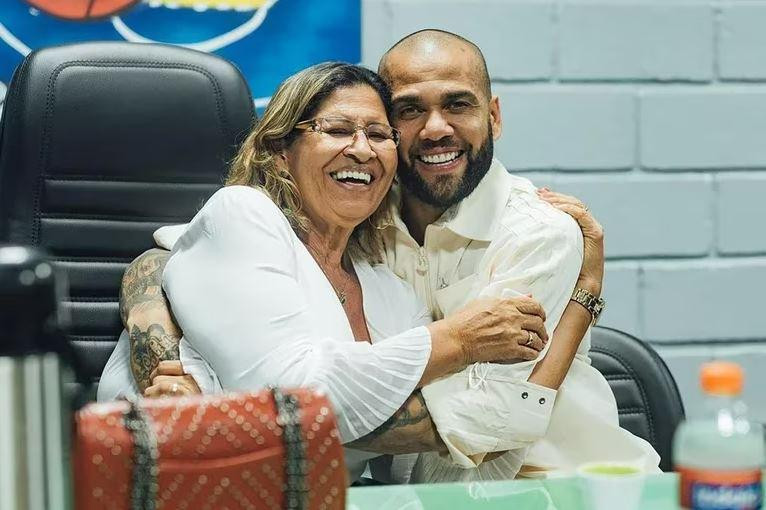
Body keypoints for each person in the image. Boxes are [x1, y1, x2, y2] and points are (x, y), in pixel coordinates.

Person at [104, 30, 659, 481]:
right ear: (281, 148)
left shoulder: (525, 235)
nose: (364, 148)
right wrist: (159, 350)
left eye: (376, 132)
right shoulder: (347, 226)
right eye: (408, 111)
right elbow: (161, 260)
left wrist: (583, 297)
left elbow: (495, 423)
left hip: (558, 483)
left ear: (494, 115)